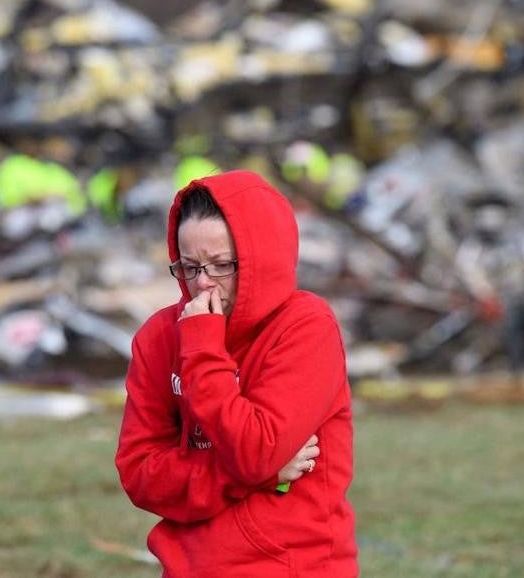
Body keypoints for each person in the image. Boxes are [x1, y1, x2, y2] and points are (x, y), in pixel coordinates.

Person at [115, 170, 357, 576]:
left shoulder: (306, 326)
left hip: (290, 566)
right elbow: (140, 473)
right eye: (188, 267)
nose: (203, 284)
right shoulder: (159, 336)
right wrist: (252, 477)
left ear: (263, 258)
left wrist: (204, 349)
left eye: (221, 265)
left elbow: (256, 450)